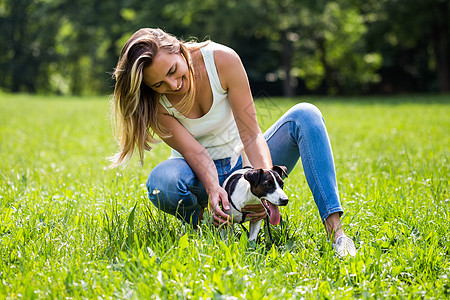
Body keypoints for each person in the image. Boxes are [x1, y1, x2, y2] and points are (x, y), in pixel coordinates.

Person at [110, 28, 356, 257]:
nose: (173, 85)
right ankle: (208, 225)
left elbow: (250, 134)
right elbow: (195, 153)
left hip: (246, 164)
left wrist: (262, 189)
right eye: (159, 84)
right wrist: (213, 188)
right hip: (198, 175)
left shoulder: (222, 60)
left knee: (306, 114)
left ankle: (337, 235)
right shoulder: (151, 104)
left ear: (178, 48)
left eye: (173, 71)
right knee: (161, 181)